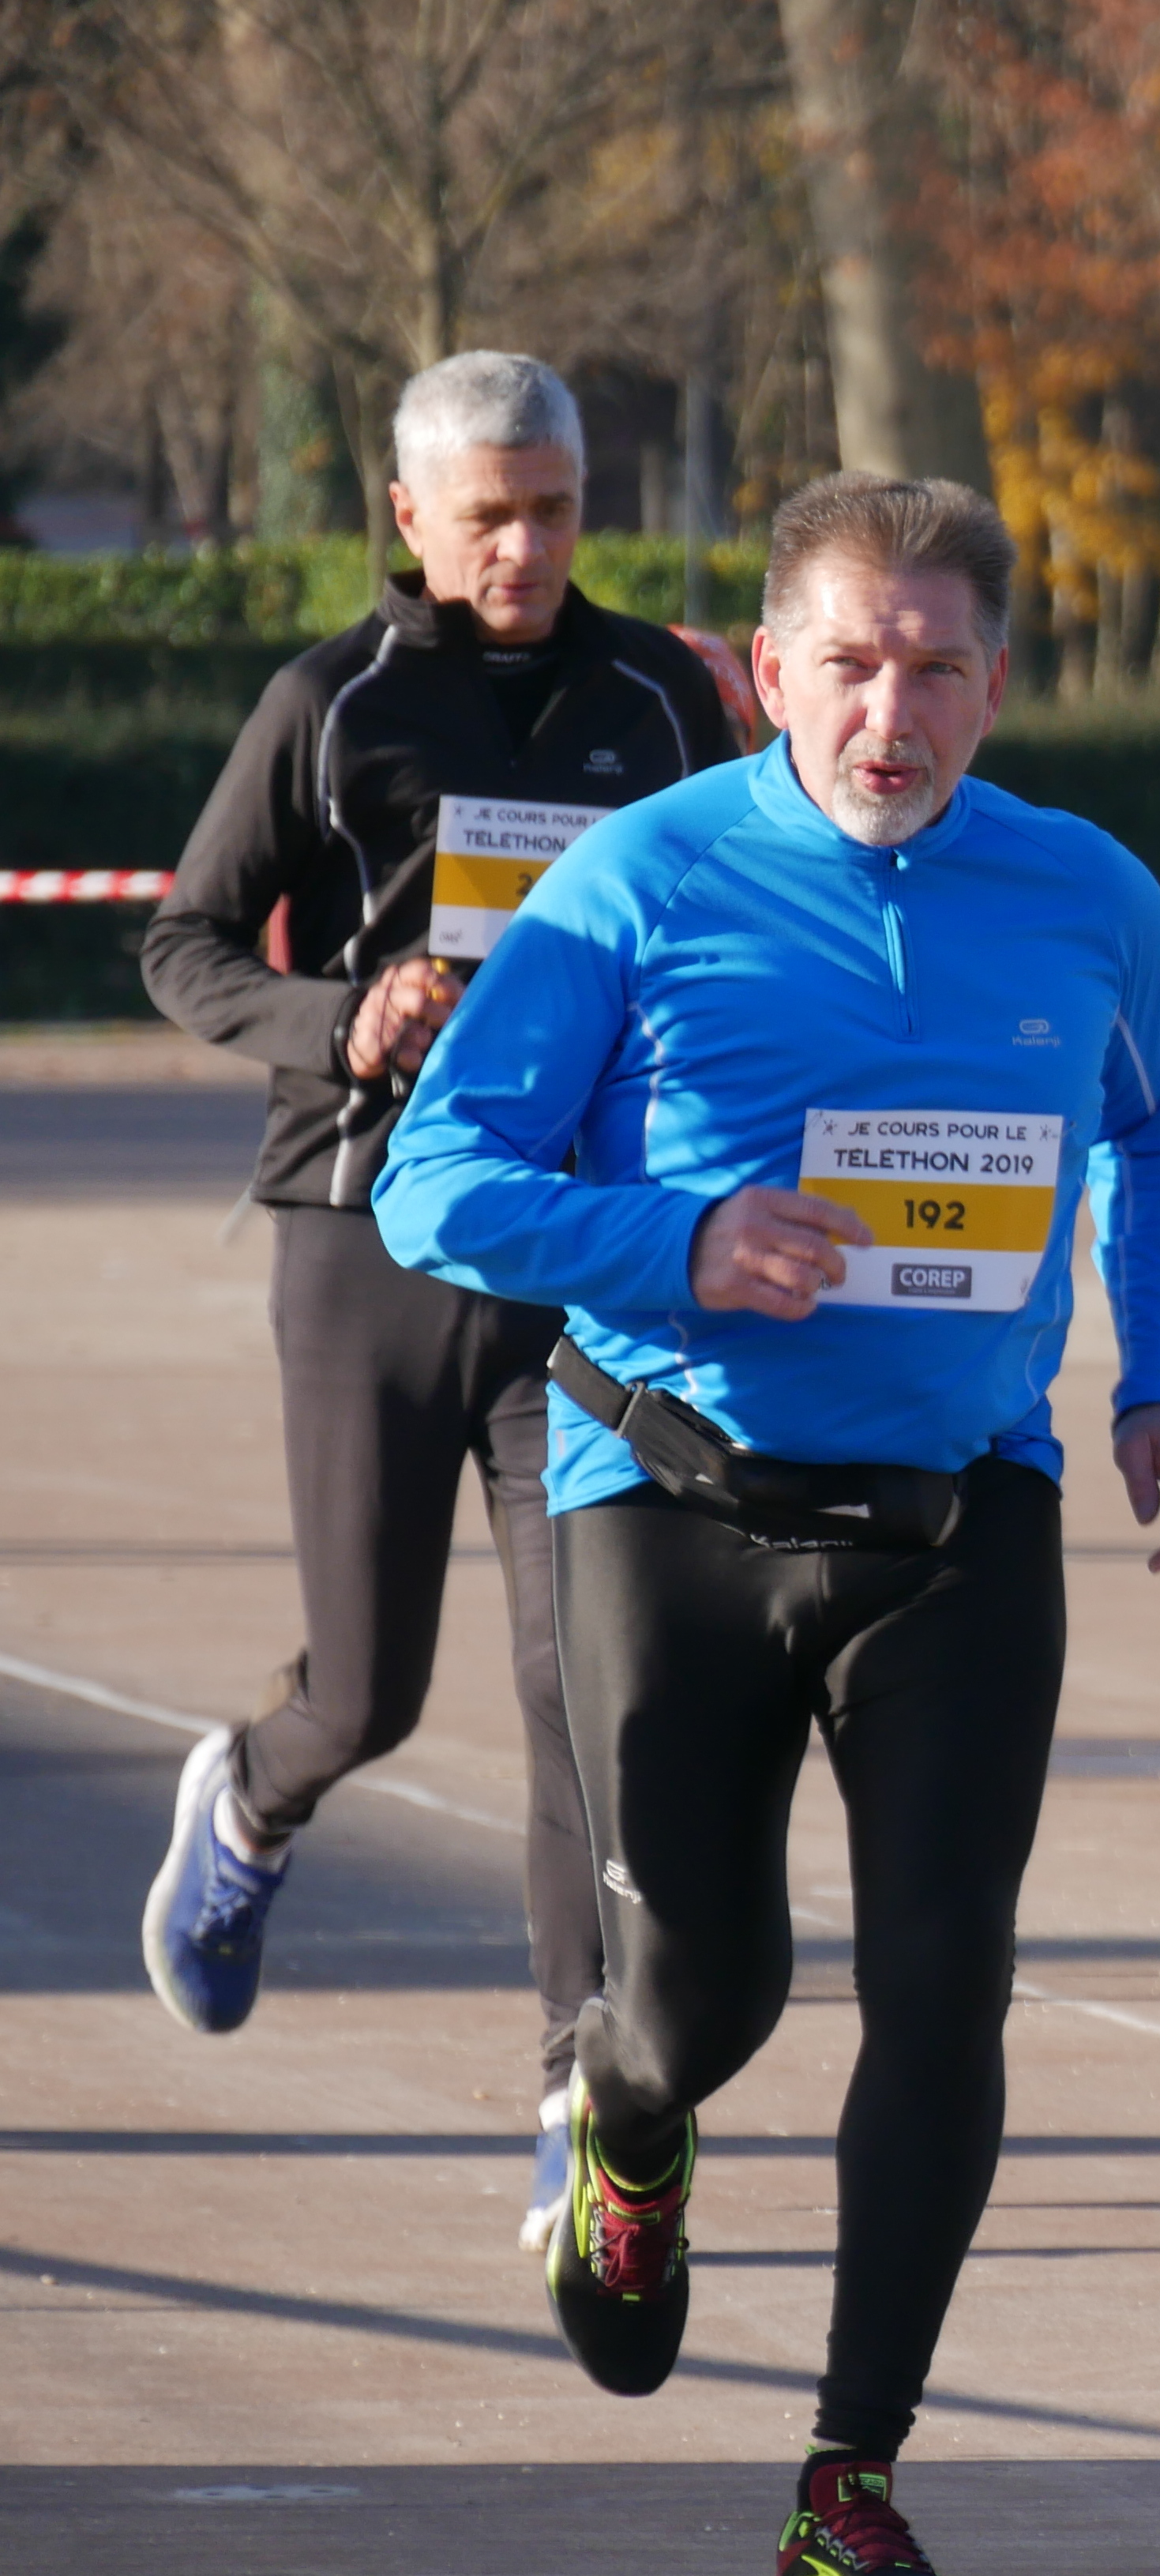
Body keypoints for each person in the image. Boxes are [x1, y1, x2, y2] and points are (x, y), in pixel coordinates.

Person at [374, 469, 1160, 2576]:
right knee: (713, 1996)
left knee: (947, 1983)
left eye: (937, 668)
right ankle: (626, 2112)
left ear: (997, 685)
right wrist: (684, 1241)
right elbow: (434, 1180)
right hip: (672, 1496)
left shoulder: (1090, 896)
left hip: (957, 1518)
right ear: (769, 673)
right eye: (849, 663)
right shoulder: (641, 882)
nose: (891, 713)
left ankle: (850, 2491)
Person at [136, 352, 735, 2251]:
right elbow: (181, 944)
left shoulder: (662, 701)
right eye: (490, 514)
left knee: (582, 1694)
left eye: (554, 508)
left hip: (580, 1259)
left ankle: (580, 2087)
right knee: (371, 1689)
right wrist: (345, 1014)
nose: (527, 546)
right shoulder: (328, 707)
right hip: (369, 1238)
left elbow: (728, 928)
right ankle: (252, 1794)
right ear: (408, 514)